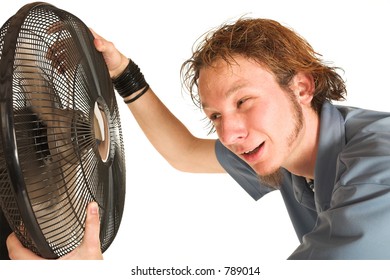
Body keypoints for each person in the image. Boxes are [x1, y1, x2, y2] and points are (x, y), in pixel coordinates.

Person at [6, 17, 390, 259]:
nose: (229, 133)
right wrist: (124, 74)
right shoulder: (287, 148)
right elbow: (185, 153)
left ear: (302, 87)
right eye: (216, 116)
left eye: (244, 101)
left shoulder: (378, 169)